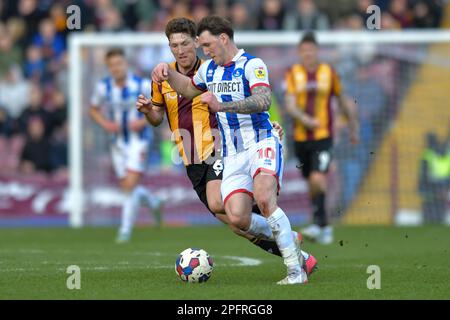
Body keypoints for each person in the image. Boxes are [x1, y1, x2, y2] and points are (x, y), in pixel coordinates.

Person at [151, 16, 307, 284]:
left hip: (261, 141)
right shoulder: (208, 71)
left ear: (223, 38)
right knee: (237, 217)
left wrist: (221, 107)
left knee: (265, 198)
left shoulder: (252, 65)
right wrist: (165, 71)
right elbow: (188, 89)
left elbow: (263, 100)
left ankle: (296, 271)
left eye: (208, 45)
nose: (205, 51)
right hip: (234, 153)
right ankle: (287, 237)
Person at [284, 31, 359, 244]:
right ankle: (321, 225)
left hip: (324, 135)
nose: (308, 54)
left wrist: (353, 125)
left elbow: (342, 99)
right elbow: (289, 104)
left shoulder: (329, 72)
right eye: (304, 51)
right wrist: (305, 120)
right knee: (310, 181)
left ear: (317, 51)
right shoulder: (292, 73)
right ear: (300, 53)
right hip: (301, 137)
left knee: (318, 177)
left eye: (311, 50)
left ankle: (321, 224)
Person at [89, 48, 163, 243]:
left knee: (129, 185)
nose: (116, 68)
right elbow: (94, 109)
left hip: (139, 140)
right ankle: (153, 202)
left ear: (126, 64)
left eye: (119, 63)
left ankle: (125, 229)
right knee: (127, 186)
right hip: (118, 143)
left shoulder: (142, 84)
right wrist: (106, 124)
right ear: (108, 67)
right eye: (112, 65)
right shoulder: (103, 87)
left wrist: (142, 121)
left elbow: (157, 108)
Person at [418, 133, 450, 224]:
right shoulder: (447, 156)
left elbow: (423, 176)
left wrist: (422, 189)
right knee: (438, 220)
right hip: (441, 193)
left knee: (428, 220)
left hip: (431, 193)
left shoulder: (428, 155)